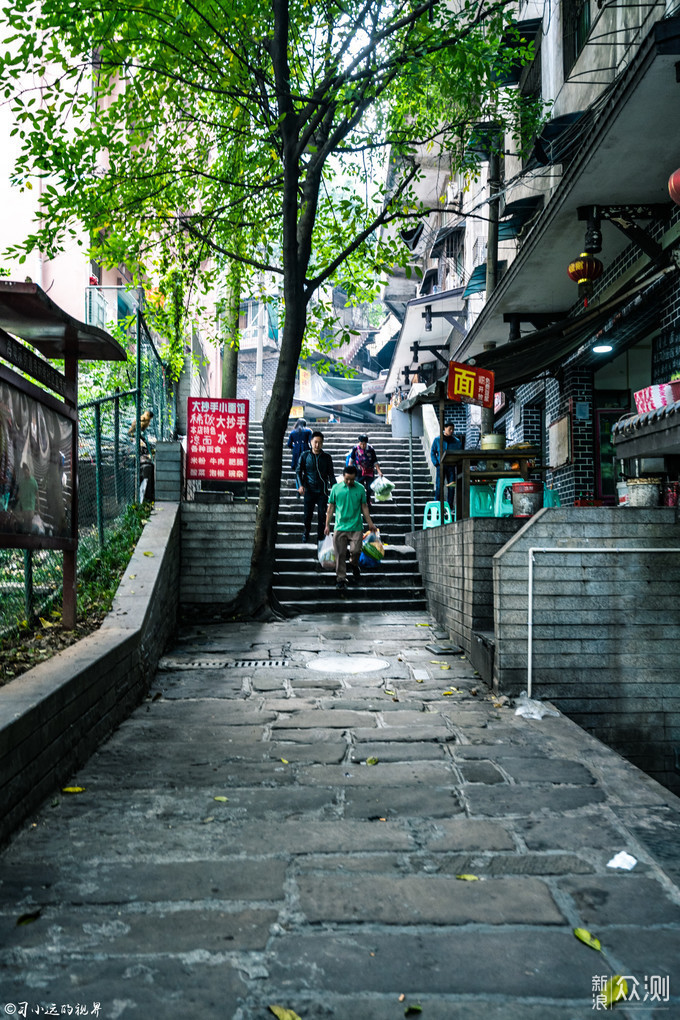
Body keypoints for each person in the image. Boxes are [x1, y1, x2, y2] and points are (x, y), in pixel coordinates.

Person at [325, 463, 377, 592]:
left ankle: (354, 564)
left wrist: (370, 523)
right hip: (340, 526)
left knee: (356, 551)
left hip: (356, 526)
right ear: (343, 476)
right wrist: (327, 525)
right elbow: (331, 507)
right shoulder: (336, 488)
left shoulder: (360, 489)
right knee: (340, 554)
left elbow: (364, 507)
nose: (349, 482)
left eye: (352, 479)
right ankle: (341, 579)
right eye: (347, 479)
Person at [296, 430, 335, 545]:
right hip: (309, 490)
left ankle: (320, 536)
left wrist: (335, 489)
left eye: (320, 443)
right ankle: (306, 532)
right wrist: (300, 485)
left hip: (322, 491)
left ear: (322, 443)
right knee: (307, 515)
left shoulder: (327, 457)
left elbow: (331, 475)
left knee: (322, 515)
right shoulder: (305, 455)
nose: (317, 445)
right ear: (311, 442)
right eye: (315, 442)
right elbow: (298, 471)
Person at [346, 433, 382, 511]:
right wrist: (348, 470)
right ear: (359, 442)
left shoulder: (371, 449)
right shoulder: (355, 448)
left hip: (369, 471)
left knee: (370, 488)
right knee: (359, 487)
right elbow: (351, 460)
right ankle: (361, 502)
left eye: (364, 444)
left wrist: (379, 471)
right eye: (361, 443)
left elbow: (375, 461)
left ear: (366, 443)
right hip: (359, 471)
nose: (362, 445)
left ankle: (368, 498)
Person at [431, 422, 462, 506]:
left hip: (451, 466)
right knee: (439, 485)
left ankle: (450, 505)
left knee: (451, 486)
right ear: (445, 428)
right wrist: (436, 463)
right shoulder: (437, 440)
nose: (451, 431)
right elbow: (433, 452)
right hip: (440, 466)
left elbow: (460, 453)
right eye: (449, 429)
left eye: (453, 429)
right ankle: (437, 504)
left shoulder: (457, 441)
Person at [16, 461, 38, 532]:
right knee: (25, 522)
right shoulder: (22, 482)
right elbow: (20, 493)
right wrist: (17, 501)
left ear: (29, 471)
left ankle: (30, 536)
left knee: (30, 521)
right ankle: (25, 536)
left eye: (27, 472)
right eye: (24, 473)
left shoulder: (34, 481)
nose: (26, 474)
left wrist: (39, 507)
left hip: (31, 504)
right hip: (24, 505)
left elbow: (37, 494)